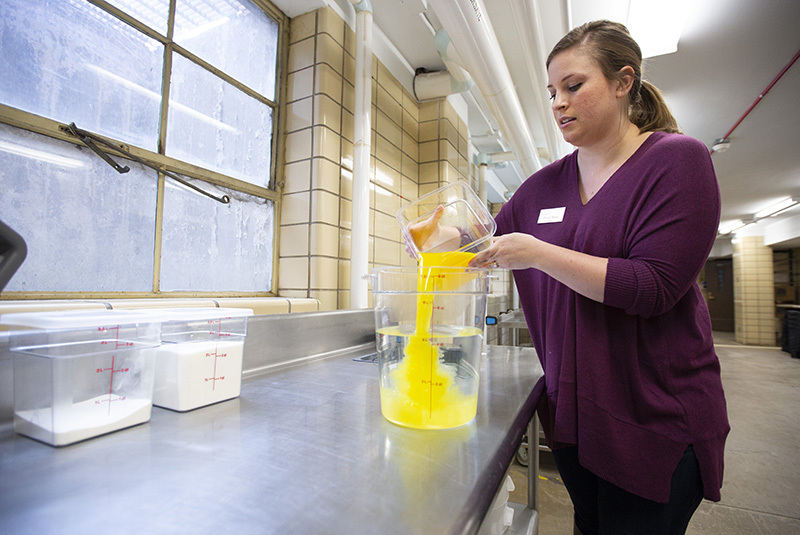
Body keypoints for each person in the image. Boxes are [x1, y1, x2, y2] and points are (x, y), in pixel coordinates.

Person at [412, 19, 730, 535]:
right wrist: (440, 240)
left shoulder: (676, 161)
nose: (558, 102)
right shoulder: (543, 187)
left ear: (624, 81)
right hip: (577, 419)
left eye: (574, 86)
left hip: (654, 420)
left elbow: (653, 288)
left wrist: (539, 253)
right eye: (552, 91)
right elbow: (482, 242)